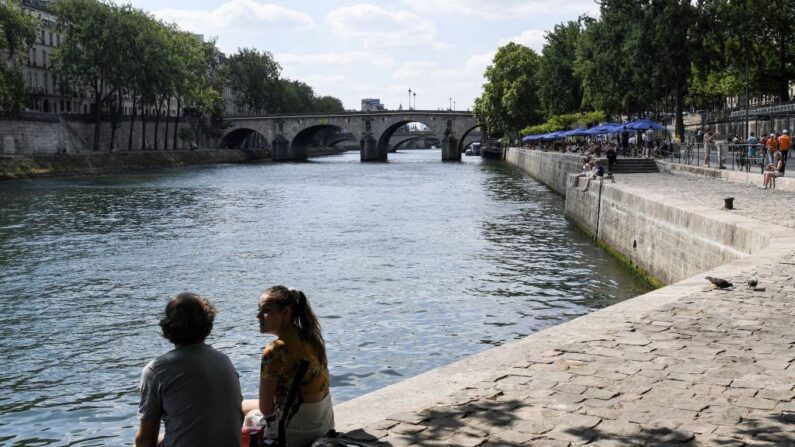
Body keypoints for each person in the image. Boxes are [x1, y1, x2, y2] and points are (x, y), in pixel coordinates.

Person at [136, 293, 244, 447]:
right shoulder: (223, 360)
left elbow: (146, 439)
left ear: (168, 324)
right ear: (208, 324)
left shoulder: (156, 370)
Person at [242, 286, 334, 447]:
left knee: (242, 410)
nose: (258, 316)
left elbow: (266, 409)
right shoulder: (313, 339)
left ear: (285, 312)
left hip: (294, 432)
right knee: (242, 404)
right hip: (323, 425)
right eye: (259, 310)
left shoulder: (276, 350)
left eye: (266, 311)